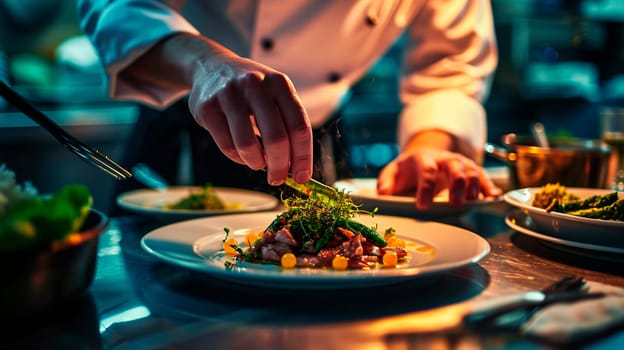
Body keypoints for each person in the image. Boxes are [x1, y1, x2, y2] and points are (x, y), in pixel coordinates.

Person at [77, 0, 502, 214]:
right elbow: (117, 6)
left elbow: (451, 61)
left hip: (319, 140)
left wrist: (430, 145)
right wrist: (205, 63)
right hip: (188, 126)